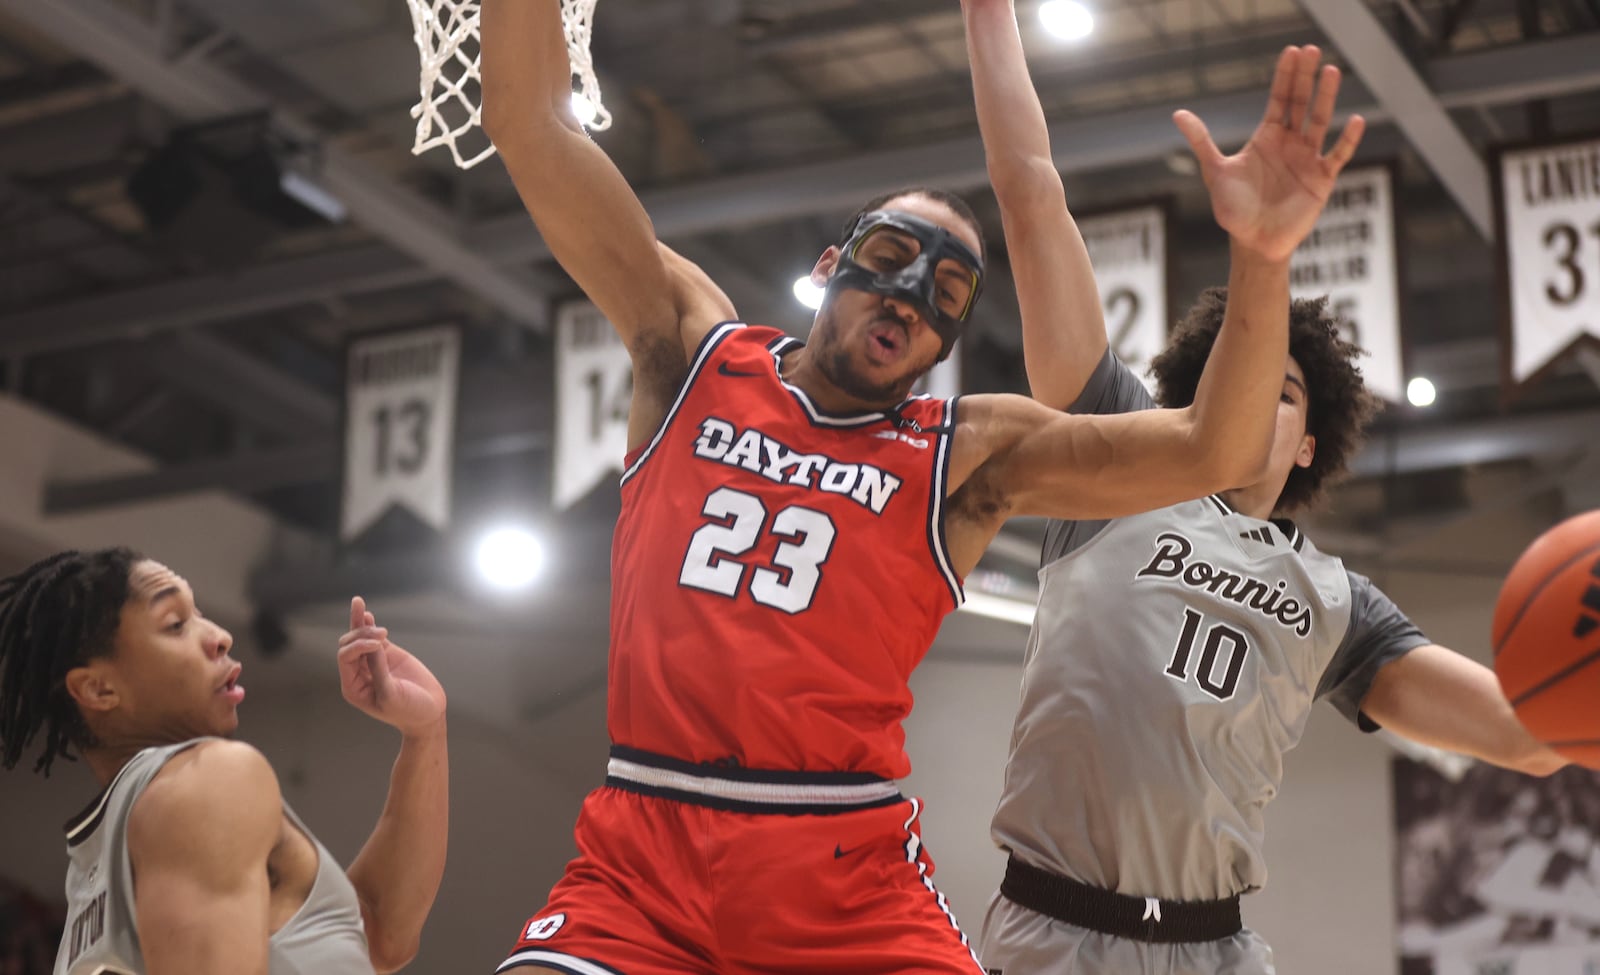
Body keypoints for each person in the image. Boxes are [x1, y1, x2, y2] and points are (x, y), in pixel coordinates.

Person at [478, 0, 1358, 970]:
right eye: (892, 259)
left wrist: (1263, 259)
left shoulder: (966, 454)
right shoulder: (692, 350)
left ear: (943, 344)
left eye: (944, 296)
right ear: (830, 268)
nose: (909, 294)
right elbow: (532, 125)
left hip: (840, 868)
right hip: (641, 856)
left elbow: (1211, 451)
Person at [962, 3, 1571, 970]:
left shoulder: (1336, 601)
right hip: (1053, 932)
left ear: (1306, 445)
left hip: (1218, 947)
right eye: (1226, 377)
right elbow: (1032, 197)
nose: (1246, 396)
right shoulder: (1110, 457)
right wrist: (988, 16)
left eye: (1278, 389)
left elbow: (1528, 732)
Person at [0, 548, 450, 975]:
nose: (219, 636)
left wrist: (425, 733)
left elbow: (377, 934)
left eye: (198, 614)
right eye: (175, 623)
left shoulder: (94, 877)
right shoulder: (207, 779)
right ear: (99, 689)